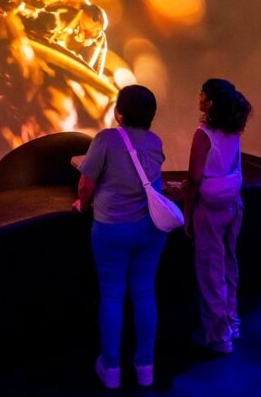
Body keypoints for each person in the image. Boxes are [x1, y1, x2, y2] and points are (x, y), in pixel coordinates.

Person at [73, 85, 167, 390]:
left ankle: (111, 369)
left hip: (111, 229)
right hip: (150, 230)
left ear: (119, 112)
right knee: (145, 293)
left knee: (112, 295)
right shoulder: (155, 141)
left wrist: (82, 205)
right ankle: (145, 368)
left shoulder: (106, 139)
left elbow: (85, 185)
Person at [183, 78, 252, 354]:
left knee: (210, 270)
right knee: (228, 264)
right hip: (233, 205)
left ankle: (218, 337)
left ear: (210, 102)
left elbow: (194, 178)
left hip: (210, 210)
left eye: (202, 94)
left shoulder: (203, 134)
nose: (199, 97)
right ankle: (232, 322)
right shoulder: (233, 130)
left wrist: (187, 214)